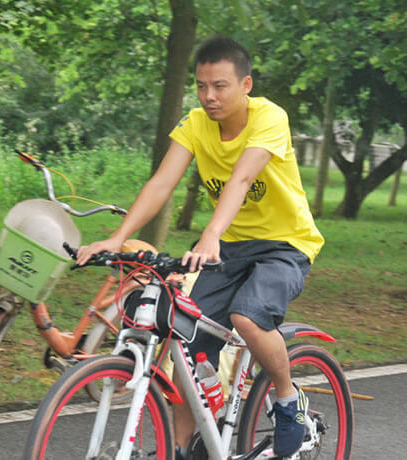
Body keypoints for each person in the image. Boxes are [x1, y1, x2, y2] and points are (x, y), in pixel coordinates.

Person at [76, 35, 324, 459]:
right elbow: (162, 182)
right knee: (186, 343)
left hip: (284, 245)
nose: (209, 96)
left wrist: (210, 236)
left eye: (220, 86)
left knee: (248, 318)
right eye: (202, 85)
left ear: (246, 85)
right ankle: (181, 449)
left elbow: (242, 178)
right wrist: (117, 238)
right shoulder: (194, 123)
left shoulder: (270, 117)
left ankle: (288, 401)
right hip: (228, 246)